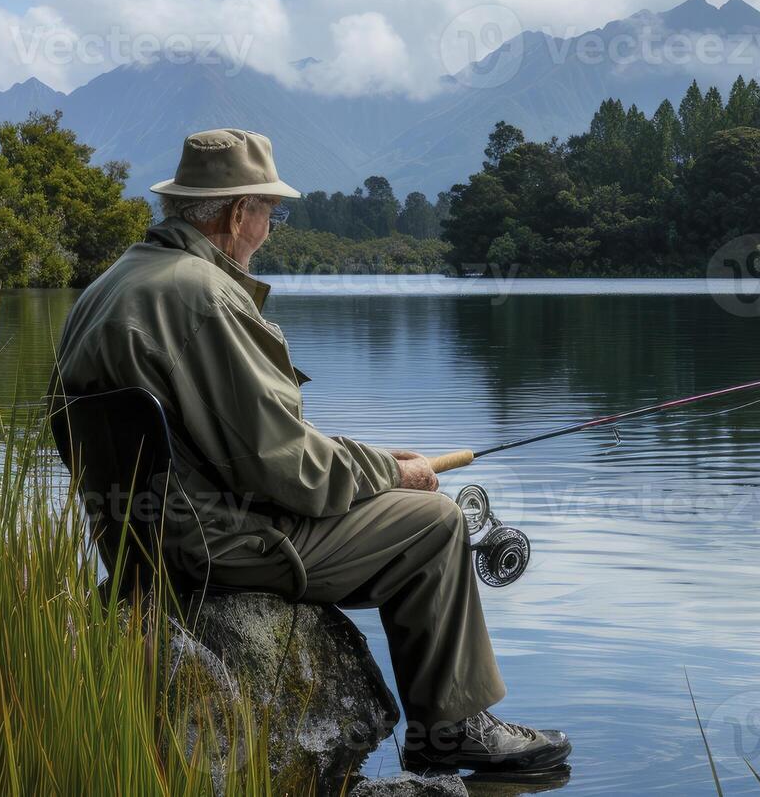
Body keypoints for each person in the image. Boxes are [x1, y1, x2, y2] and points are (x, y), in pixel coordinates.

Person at [52, 128, 570, 776]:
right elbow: (285, 470)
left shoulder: (113, 286)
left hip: (141, 547)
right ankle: (452, 730)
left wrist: (375, 464)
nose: (271, 225)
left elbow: (244, 443)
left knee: (397, 503)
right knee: (433, 525)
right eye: (270, 210)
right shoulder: (204, 297)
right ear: (239, 213)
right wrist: (391, 475)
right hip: (215, 548)